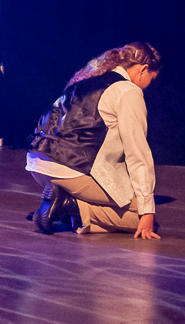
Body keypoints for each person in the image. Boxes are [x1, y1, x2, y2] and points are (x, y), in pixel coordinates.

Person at [25, 42, 162, 238]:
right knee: (140, 214)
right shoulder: (127, 91)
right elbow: (137, 152)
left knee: (137, 206)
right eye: (152, 79)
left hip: (37, 163)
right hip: (70, 170)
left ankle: (63, 204)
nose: (149, 85)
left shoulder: (84, 81)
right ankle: (70, 206)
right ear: (143, 69)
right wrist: (147, 210)